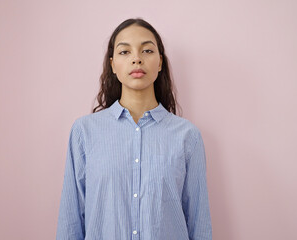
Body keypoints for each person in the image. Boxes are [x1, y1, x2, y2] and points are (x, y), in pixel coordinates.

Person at [56, 18, 212, 240]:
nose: (137, 59)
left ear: (160, 63)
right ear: (112, 64)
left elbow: (199, 223)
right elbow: (71, 221)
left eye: (147, 50)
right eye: (124, 52)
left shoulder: (188, 136)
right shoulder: (84, 132)